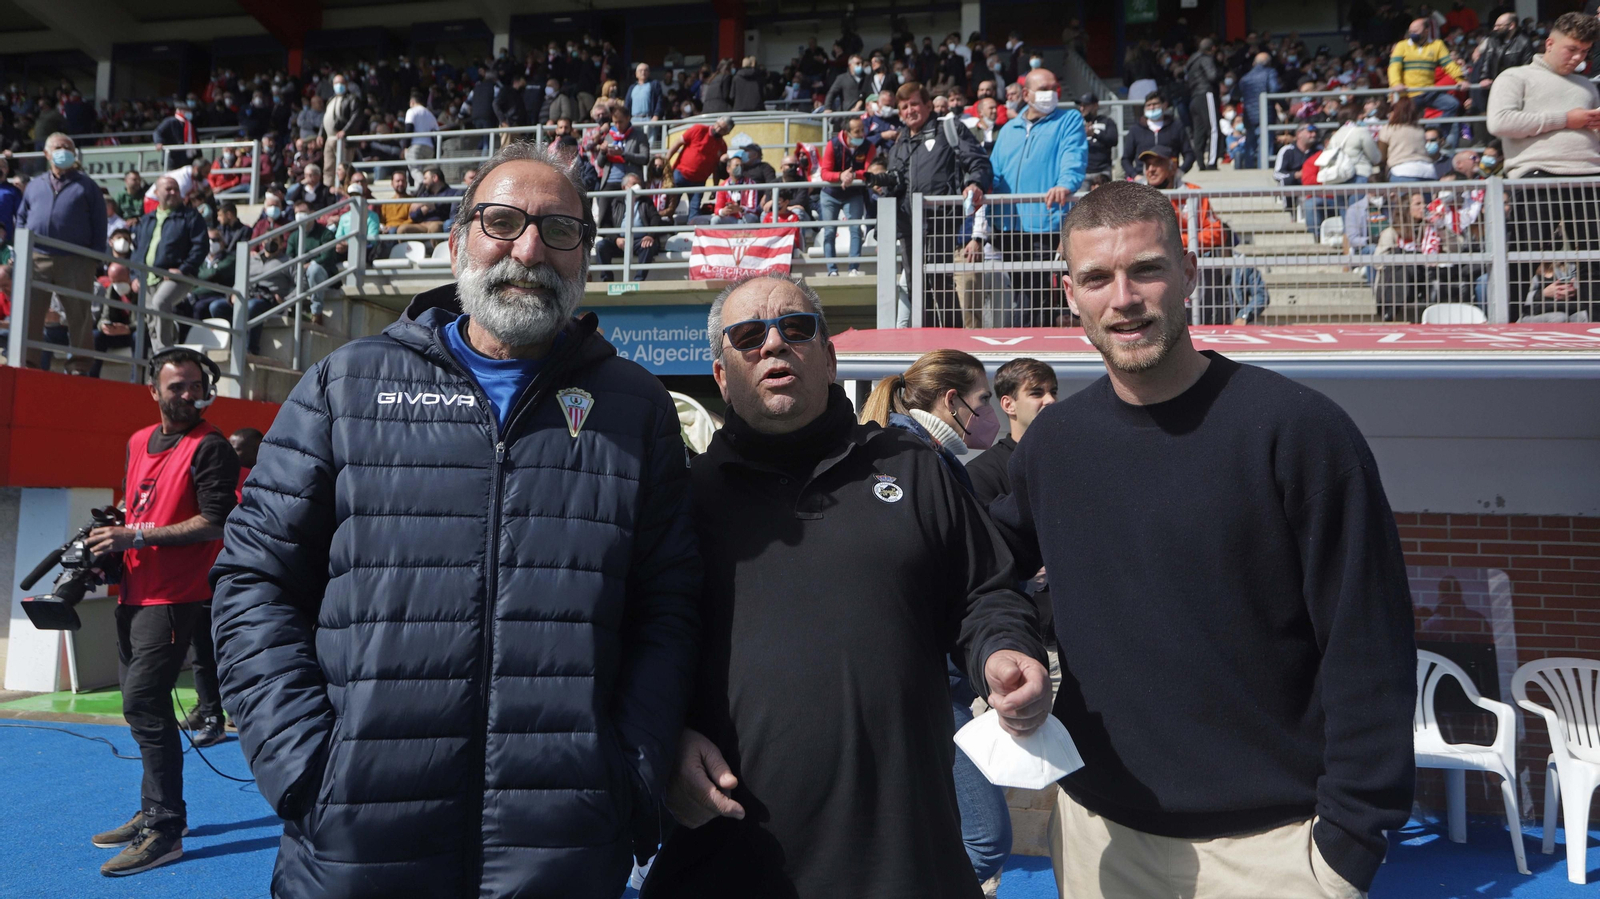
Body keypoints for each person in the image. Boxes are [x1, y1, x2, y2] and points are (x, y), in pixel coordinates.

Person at [211, 141, 701, 897]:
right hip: (353, 840)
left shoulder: (636, 406)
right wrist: (305, 764)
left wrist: (628, 769)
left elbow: (669, 605)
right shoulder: (346, 384)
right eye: (501, 221)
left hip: (563, 846)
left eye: (558, 230)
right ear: (456, 242)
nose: (530, 248)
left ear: (584, 257)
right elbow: (253, 579)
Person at [987, 180, 1416, 899]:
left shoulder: (1300, 430)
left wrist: (1348, 842)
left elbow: (1367, 640)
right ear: (1071, 295)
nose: (1123, 297)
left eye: (1146, 269)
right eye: (1097, 277)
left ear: (1190, 274)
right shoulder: (1054, 442)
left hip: (1275, 851)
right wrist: (1006, 643)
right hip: (1100, 837)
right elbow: (989, 572)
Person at [641, 274, 1049, 899]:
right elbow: (638, 646)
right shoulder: (682, 502)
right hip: (734, 863)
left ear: (829, 357)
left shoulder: (912, 470)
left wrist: (1001, 646)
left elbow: (985, 592)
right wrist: (665, 743)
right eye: (748, 336)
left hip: (908, 862)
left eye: (795, 329)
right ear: (722, 377)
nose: (774, 346)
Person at [855, 348, 1020, 893]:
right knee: (984, 839)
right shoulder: (912, 461)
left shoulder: (931, 459)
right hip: (917, 681)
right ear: (952, 402)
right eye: (983, 401)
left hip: (927, 679)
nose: (994, 413)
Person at [85, 347, 241, 877]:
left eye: (195, 384)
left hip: (174, 597)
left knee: (145, 706)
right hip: (133, 590)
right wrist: (114, 537)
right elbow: (141, 508)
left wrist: (138, 534)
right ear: (154, 391)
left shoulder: (212, 447)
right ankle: (153, 810)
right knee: (140, 710)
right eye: (176, 386)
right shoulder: (136, 442)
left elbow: (215, 522)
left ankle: (166, 827)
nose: (187, 394)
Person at [1488, 11, 1600, 317]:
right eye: (1572, 49)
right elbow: (1499, 122)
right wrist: (1566, 119)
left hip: (1592, 176)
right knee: (1523, 253)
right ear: (1550, 43)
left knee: (1596, 258)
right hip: (1538, 174)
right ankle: (1504, 324)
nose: (1578, 57)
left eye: (1585, 51)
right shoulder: (1515, 76)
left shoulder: (1587, 86)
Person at [873, 81, 992, 326]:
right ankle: (924, 350)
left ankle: (951, 350)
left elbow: (979, 162)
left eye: (914, 104)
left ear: (928, 105)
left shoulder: (949, 129)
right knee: (916, 289)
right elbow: (893, 187)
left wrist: (975, 184)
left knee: (941, 287)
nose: (909, 111)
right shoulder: (899, 144)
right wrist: (883, 230)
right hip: (908, 227)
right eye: (903, 107)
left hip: (941, 222)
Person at [963, 356, 1057, 642]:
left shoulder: (1075, 464)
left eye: (1054, 391)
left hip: (1075, 634)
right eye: (1037, 393)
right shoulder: (980, 474)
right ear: (1008, 404)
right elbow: (982, 558)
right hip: (1018, 633)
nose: (1050, 400)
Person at [989, 68, 1087, 327]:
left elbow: (1073, 156)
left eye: (1054, 88)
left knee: (1036, 294)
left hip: (1046, 223)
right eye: (1044, 89)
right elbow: (994, 172)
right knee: (1022, 291)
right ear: (1026, 94)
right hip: (1009, 226)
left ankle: (1027, 345)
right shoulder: (1009, 129)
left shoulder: (1069, 120)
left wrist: (1065, 184)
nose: (1051, 94)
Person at [14, 132, 104, 372]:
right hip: (37, 257)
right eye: (58, 147)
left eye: (68, 147)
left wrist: (94, 257)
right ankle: (29, 364)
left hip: (76, 259)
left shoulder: (87, 185)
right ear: (46, 153)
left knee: (80, 316)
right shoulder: (35, 184)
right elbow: (22, 217)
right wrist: (23, 248)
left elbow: (99, 221)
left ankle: (79, 366)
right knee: (31, 314)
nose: (63, 151)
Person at [132, 175, 208, 350]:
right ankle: (160, 360)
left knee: (160, 303)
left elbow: (200, 246)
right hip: (146, 277)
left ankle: (167, 352)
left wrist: (184, 269)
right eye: (168, 189)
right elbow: (137, 250)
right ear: (157, 192)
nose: (173, 193)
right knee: (152, 321)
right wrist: (134, 275)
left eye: (176, 189)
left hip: (177, 276)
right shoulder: (147, 219)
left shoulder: (190, 217)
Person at [1389, 18, 1465, 141]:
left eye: (1416, 30)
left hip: (1429, 91)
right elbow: (1394, 67)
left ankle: (1437, 133)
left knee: (1453, 105)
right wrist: (1396, 83)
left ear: (1426, 30)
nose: (1412, 33)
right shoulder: (1401, 46)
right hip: (1409, 94)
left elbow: (1449, 64)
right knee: (1404, 123)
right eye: (1410, 31)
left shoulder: (1437, 45)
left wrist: (1461, 78)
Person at [818, 117, 876, 276]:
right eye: (857, 131)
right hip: (830, 195)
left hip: (854, 194)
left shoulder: (868, 146)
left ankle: (854, 268)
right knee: (829, 232)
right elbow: (825, 173)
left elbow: (869, 170)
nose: (861, 134)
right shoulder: (833, 145)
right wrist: (840, 176)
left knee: (856, 230)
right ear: (847, 132)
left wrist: (852, 175)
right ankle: (832, 270)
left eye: (862, 130)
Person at [595, 172, 662, 278]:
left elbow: (656, 219)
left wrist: (650, 235)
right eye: (634, 183)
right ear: (624, 187)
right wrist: (616, 239)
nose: (638, 186)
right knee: (601, 246)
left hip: (640, 241)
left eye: (639, 183)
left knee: (648, 246)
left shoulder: (646, 202)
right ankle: (607, 280)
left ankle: (638, 280)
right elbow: (605, 224)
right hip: (620, 241)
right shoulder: (615, 202)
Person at [665, 116, 733, 219]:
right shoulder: (698, 129)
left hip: (699, 182)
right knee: (670, 206)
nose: (718, 129)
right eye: (718, 125)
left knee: (695, 211)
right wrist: (666, 163)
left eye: (723, 129)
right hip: (680, 174)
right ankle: (664, 230)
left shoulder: (723, 146)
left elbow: (716, 169)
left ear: (727, 133)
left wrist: (715, 188)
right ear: (715, 122)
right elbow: (678, 143)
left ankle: (692, 233)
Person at [1122, 94, 1194, 176]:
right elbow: (1126, 159)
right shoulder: (1135, 130)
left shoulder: (1176, 126)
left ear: (1165, 105)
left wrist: (1181, 171)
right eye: (1148, 105)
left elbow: (1189, 154)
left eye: (1155, 104)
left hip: (1170, 178)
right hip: (1142, 178)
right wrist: (1135, 176)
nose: (1152, 107)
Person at [1237, 53, 1281, 169]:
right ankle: (1264, 169)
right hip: (1265, 113)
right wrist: (1284, 105)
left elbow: (1238, 94)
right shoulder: (1270, 72)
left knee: (1250, 145)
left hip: (1249, 116)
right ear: (1269, 63)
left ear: (1254, 63)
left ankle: (1249, 170)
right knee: (1265, 144)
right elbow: (1275, 90)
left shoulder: (1245, 77)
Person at [1185, 37, 1224, 170]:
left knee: (1199, 131)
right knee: (1213, 130)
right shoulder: (1206, 59)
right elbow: (1212, 76)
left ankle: (1200, 162)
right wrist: (1220, 70)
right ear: (1212, 48)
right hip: (1206, 94)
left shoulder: (1191, 62)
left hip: (1194, 97)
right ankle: (1212, 162)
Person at [1377, 94, 1434, 183]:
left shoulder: (1388, 128)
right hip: (1427, 171)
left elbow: (1381, 156)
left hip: (1402, 171)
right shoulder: (1419, 129)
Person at [322, 74, 367, 179]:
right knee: (328, 167)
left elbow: (356, 118)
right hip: (330, 138)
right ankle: (329, 191)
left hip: (343, 139)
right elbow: (325, 118)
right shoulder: (331, 100)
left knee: (343, 168)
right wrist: (321, 134)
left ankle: (343, 189)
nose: (339, 86)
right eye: (336, 83)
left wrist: (345, 131)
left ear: (346, 84)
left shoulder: (352, 99)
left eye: (341, 83)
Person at [397, 165, 460, 234]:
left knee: (434, 228)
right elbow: (413, 216)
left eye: (425, 178)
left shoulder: (452, 192)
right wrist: (424, 209)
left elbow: (446, 208)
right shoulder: (424, 194)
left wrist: (424, 203)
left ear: (434, 178)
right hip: (422, 225)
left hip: (439, 223)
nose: (423, 182)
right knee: (402, 229)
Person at [1077, 94, 1119, 178]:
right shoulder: (1076, 124)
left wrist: (1094, 134)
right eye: (1081, 105)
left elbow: (1113, 141)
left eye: (1085, 105)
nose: (1082, 109)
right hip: (1082, 172)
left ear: (1095, 106)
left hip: (1102, 171)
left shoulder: (1107, 121)